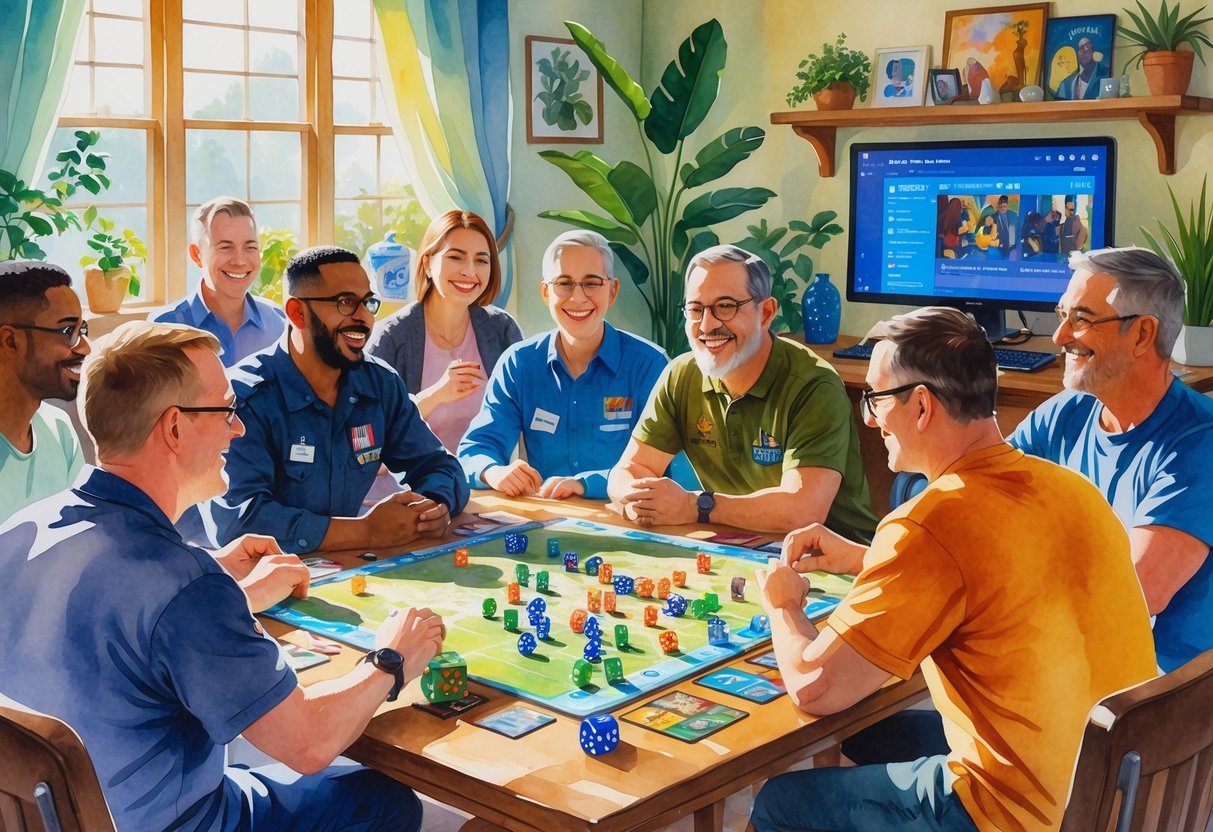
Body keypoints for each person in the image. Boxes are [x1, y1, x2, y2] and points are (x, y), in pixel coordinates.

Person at [0, 321, 443, 832]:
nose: (239, 429)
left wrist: (216, 576)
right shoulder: (184, 588)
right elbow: (308, 743)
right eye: (227, 410)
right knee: (383, 802)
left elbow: (109, 603)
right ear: (174, 428)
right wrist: (390, 659)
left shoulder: (19, 531)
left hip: (55, 818)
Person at [748, 306, 1156, 832]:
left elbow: (816, 689)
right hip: (1119, 794)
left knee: (779, 802)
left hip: (1021, 814)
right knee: (876, 733)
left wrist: (783, 605)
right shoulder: (1072, 489)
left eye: (875, 398)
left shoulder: (929, 523)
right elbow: (997, 578)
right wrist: (862, 558)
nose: (868, 418)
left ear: (921, 406)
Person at [1013, 246, 1213, 672]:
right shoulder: (1068, 410)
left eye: (1081, 319)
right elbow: (982, 495)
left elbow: (1135, 593)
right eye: (1061, 313)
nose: (1060, 336)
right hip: (1074, 662)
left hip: (1159, 702)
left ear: (1142, 334)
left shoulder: (1200, 444)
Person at [206, 245, 468, 553]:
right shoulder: (242, 397)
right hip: (262, 585)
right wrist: (365, 531)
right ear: (297, 313)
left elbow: (440, 466)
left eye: (368, 303)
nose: (363, 319)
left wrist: (434, 506)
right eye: (345, 303)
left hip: (351, 569)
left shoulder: (380, 384)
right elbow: (238, 521)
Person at [607, 244, 877, 539]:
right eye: (696, 309)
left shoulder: (813, 385)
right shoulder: (681, 375)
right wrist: (634, 500)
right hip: (733, 547)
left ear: (766, 312)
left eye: (725, 306)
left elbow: (803, 511)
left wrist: (695, 505)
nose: (707, 325)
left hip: (833, 565)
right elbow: (630, 469)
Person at [458, 230, 670, 500]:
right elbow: (477, 447)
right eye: (564, 283)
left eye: (591, 283)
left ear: (612, 290)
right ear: (546, 293)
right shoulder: (519, 364)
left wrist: (586, 484)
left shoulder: (650, 366)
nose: (578, 297)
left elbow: (662, 471)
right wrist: (492, 471)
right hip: (546, 523)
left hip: (628, 521)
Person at [368, 209, 522, 452]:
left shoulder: (502, 329)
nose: (470, 271)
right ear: (427, 264)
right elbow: (368, 431)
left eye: (481, 260)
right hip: (410, 485)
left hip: (485, 482)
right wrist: (437, 394)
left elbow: (523, 416)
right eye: (456, 257)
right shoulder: (391, 337)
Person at [0, 261, 89, 522]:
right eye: (67, 331)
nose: (84, 348)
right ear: (10, 341)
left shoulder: (58, 429)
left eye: (81, 330)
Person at [152, 196, 287, 367]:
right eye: (225, 247)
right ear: (197, 254)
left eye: (250, 247)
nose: (239, 261)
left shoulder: (278, 322)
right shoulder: (163, 329)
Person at [1056, 36, 1110, 100]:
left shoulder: (1107, 76)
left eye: (1088, 46)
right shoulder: (1066, 83)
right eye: (1081, 48)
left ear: (1094, 51)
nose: (1085, 50)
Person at [994, 194, 1017, 258]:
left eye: (1004, 206)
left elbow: (1017, 230)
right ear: (998, 205)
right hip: (1000, 246)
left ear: (1007, 205)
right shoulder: (995, 216)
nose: (1003, 208)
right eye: (1001, 206)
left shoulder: (1013, 215)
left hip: (1013, 246)